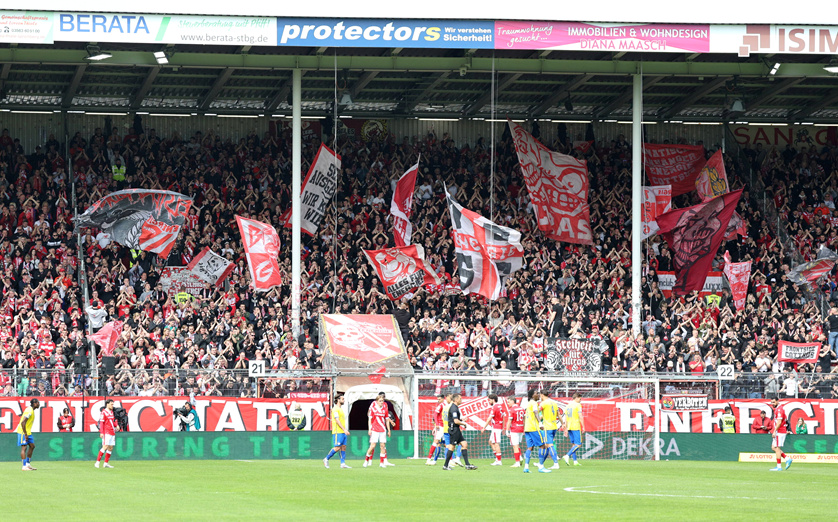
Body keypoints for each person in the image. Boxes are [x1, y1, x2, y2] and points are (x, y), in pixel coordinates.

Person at [442, 394, 477, 471]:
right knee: (452, 447)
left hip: (456, 429)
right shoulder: (453, 408)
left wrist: (461, 420)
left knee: (464, 444)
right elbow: (455, 421)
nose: (461, 400)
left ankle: (467, 465)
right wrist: (463, 424)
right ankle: (445, 465)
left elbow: (456, 420)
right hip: (454, 430)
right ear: (456, 400)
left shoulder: (455, 407)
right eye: (460, 398)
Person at [523, 389, 551, 473]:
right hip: (534, 428)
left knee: (530, 447)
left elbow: (526, 416)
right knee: (542, 446)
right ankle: (541, 467)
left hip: (527, 428)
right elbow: (536, 412)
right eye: (536, 393)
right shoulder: (534, 403)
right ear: (532, 395)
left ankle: (526, 467)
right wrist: (540, 423)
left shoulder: (528, 404)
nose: (538, 394)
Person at [364, 392, 394, 468]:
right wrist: (369, 429)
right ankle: (366, 460)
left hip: (382, 429)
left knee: (382, 446)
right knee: (372, 446)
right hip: (374, 429)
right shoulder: (373, 408)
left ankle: (381, 463)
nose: (382, 402)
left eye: (382, 401)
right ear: (377, 401)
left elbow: (387, 420)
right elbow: (370, 419)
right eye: (380, 401)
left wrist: (389, 430)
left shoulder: (385, 409)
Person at [324, 395, 350, 469]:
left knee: (343, 447)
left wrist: (344, 430)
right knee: (337, 447)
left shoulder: (340, 409)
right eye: (342, 399)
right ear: (338, 400)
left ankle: (343, 463)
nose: (344, 400)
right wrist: (344, 429)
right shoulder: (335, 409)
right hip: (337, 431)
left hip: (342, 431)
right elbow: (337, 420)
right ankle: (326, 459)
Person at [480, 393, 506, 466]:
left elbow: (489, 418)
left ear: (493, 400)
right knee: (490, 442)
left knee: (496, 443)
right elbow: (503, 417)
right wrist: (503, 427)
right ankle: (497, 458)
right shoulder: (500, 406)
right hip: (498, 427)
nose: (489, 401)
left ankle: (499, 460)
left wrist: (483, 427)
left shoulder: (494, 407)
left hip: (496, 427)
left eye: (489, 400)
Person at [539, 390, 562, 469]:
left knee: (549, 445)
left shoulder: (543, 403)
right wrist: (563, 423)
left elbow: (536, 412)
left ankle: (556, 463)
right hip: (554, 426)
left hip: (547, 427)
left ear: (542, 395)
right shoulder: (554, 403)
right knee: (547, 445)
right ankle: (541, 463)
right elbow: (558, 414)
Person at [769, 398, 793, 471]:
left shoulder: (779, 410)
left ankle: (779, 466)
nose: (772, 404)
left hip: (780, 431)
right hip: (779, 431)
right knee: (773, 447)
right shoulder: (777, 409)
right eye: (771, 402)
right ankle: (787, 458)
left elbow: (779, 422)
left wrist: (774, 431)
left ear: (777, 401)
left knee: (777, 448)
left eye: (773, 402)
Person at [15, 398, 40, 471]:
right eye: (38, 403)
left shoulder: (31, 410)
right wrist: (25, 434)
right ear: (34, 403)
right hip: (23, 432)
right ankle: (24, 466)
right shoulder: (29, 411)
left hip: (28, 432)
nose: (39, 404)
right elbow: (23, 422)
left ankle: (28, 464)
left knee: (32, 446)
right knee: (24, 447)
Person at [95, 399, 119, 469]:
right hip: (106, 432)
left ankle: (105, 463)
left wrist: (116, 425)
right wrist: (101, 432)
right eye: (111, 404)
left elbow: (112, 421)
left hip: (112, 432)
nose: (112, 405)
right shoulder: (104, 412)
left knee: (110, 448)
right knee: (105, 446)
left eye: (113, 404)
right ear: (107, 404)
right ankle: (97, 462)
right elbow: (101, 423)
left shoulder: (111, 412)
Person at [563, 392, 584, 466]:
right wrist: (583, 426)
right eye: (580, 399)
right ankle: (567, 455)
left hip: (569, 426)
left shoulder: (568, 405)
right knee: (578, 444)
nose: (580, 400)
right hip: (575, 426)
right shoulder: (578, 405)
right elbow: (580, 416)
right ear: (577, 398)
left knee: (574, 444)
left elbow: (566, 417)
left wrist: (565, 426)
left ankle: (575, 461)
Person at [505, 396, 525, 467]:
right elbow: (524, 419)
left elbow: (509, 421)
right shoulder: (522, 409)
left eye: (509, 401)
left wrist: (507, 430)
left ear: (512, 401)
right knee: (517, 445)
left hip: (514, 429)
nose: (508, 403)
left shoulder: (512, 410)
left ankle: (517, 462)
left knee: (515, 446)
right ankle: (520, 457)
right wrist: (524, 429)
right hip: (521, 428)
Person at [425, 394, 445, 465]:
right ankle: (429, 459)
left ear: (443, 399)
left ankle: (451, 460)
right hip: (440, 427)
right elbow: (435, 414)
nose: (438, 401)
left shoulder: (446, 405)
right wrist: (436, 424)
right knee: (436, 442)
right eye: (438, 399)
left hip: (445, 426)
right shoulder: (441, 405)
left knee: (446, 444)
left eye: (439, 399)